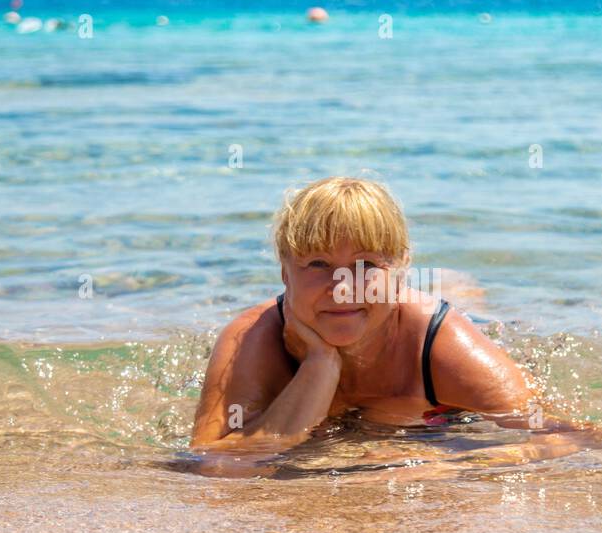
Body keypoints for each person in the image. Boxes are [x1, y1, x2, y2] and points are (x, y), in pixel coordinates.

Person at [191, 176, 544, 454]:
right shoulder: (253, 337)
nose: (342, 287)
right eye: (318, 263)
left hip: (448, 319)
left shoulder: (439, 342)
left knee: (470, 304)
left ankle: (458, 286)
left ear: (401, 267)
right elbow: (212, 464)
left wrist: (449, 462)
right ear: (284, 271)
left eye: (366, 265)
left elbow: (568, 438)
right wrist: (320, 364)